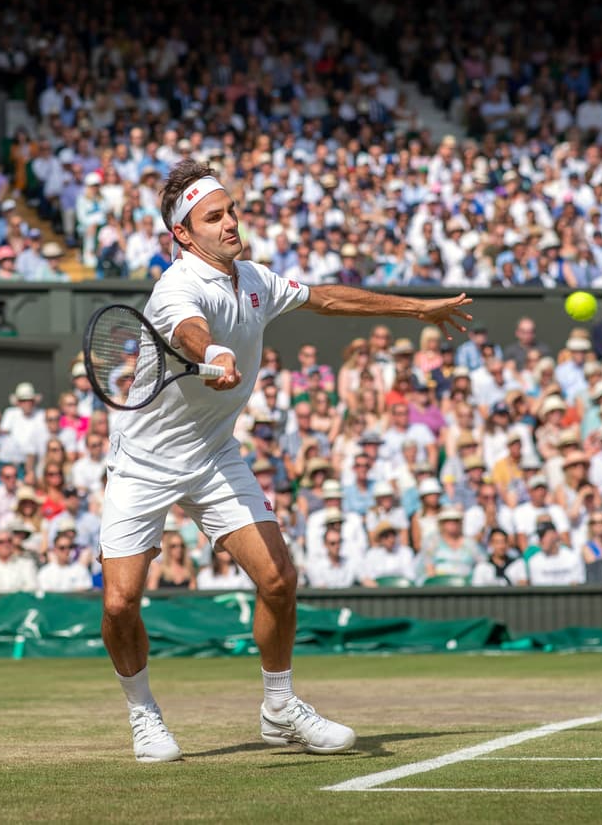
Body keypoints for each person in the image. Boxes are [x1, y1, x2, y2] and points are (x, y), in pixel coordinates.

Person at [97, 161, 472, 762]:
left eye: (231, 211)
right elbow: (192, 332)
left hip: (214, 454)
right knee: (119, 603)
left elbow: (325, 298)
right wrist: (214, 353)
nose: (230, 223)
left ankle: (280, 708)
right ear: (185, 235)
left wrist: (414, 309)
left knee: (278, 580)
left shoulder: (254, 279)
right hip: (144, 462)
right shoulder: (175, 289)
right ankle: (144, 715)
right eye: (213, 217)